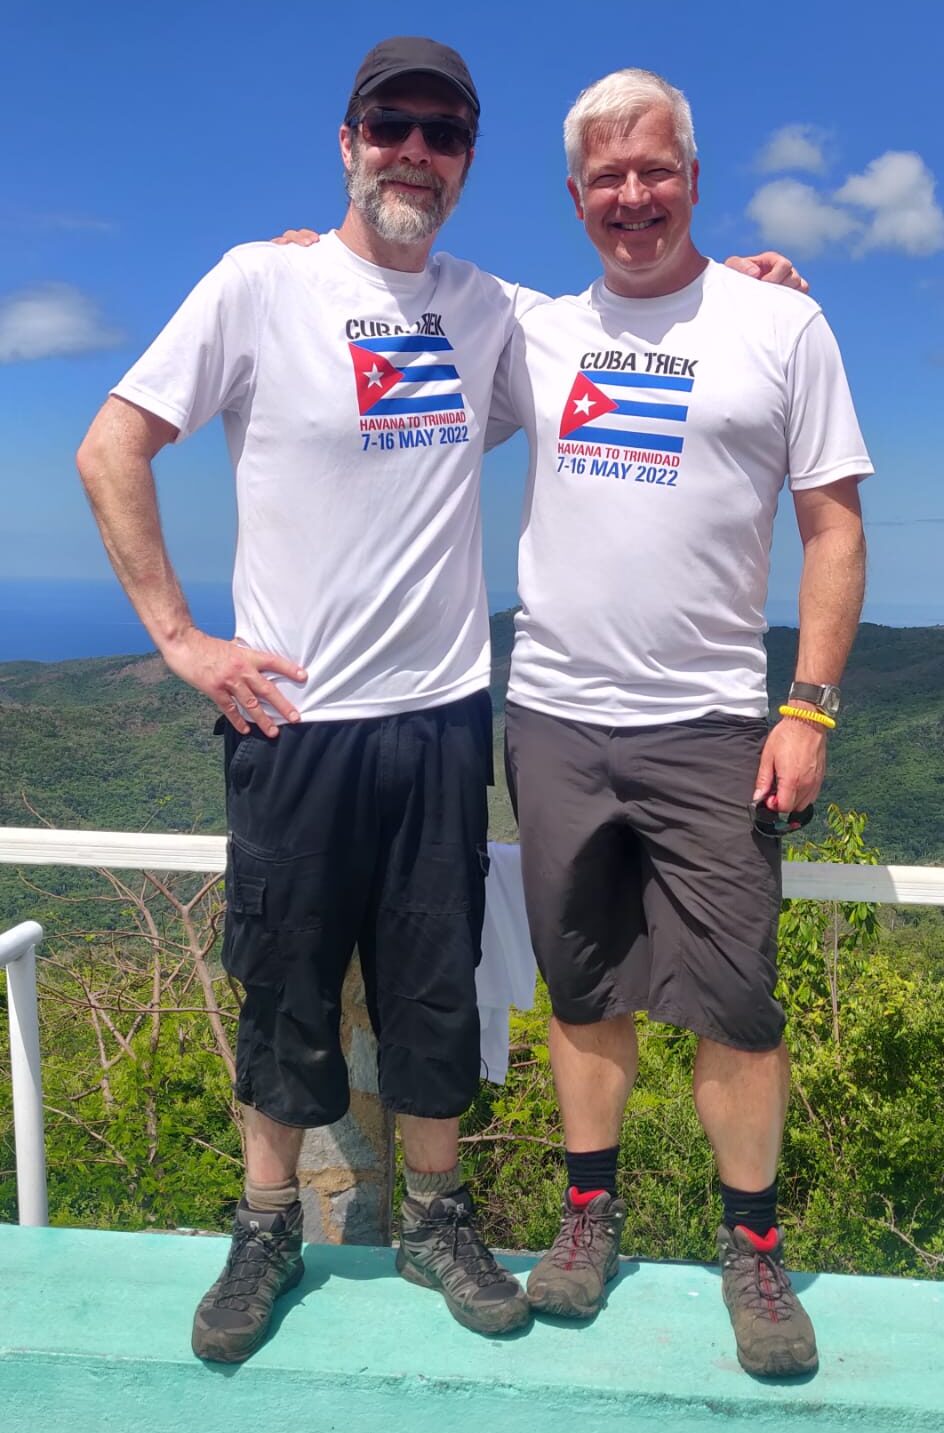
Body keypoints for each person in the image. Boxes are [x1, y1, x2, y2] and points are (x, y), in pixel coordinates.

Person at [77, 34, 806, 1359]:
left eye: (443, 132)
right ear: (348, 139)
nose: (415, 150)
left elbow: (632, 317)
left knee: (430, 987)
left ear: (467, 161)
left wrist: (736, 289)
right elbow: (111, 442)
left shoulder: (490, 310)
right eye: (391, 125)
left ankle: (434, 1215)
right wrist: (180, 637)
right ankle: (264, 1229)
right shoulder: (258, 281)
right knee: (284, 983)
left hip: (445, 715)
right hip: (293, 719)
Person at [488, 67, 871, 1377]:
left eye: (655, 171)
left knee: (737, 1003)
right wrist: (319, 271)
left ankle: (751, 1247)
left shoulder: (778, 326)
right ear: (578, 197)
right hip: (552, 716)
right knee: (583, 982)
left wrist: (808, 704)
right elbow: (401, 384)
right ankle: (588, 1212)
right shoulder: (533, 332)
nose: (633, 196)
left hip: (715, 723)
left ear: (695, 179)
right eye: (607, 178)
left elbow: (834, 525)